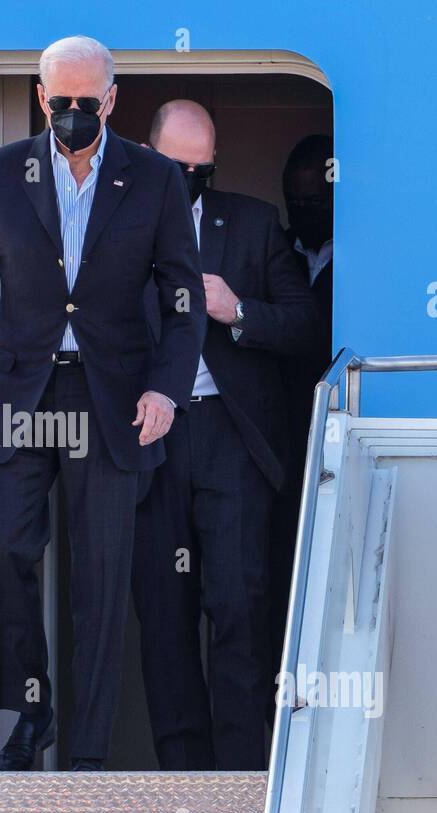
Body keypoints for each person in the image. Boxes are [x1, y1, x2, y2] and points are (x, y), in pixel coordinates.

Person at [0, 36, 203, 771]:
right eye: (62, 103)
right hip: (21, 392)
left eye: (89, 103)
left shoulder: (153, 181)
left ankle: (86, 757)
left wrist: (166, 389)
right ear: (40, 96)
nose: (75, 115)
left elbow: (183, 303)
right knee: (3, 548)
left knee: (101, 578)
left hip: (113, 399)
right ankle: (33, 705)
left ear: (112, 101)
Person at [131, 100, 316, 771]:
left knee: (240, 604)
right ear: (147, 158)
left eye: (202, 172)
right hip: (150, 436)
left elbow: (308, 328)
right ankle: (184, 787)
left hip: (232, 440)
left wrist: (236, 309)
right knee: (163, 611)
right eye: (178, 169)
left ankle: (243, 781)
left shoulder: (254, 224)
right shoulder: (109, 228)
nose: (190, 183)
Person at [265, 135, 335, 744]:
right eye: (296, 199)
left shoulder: (367, 255)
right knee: (265, 597)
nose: (303, 210)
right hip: (271, 450)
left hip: (335, 453)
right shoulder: (272, 250)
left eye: (315, 199)